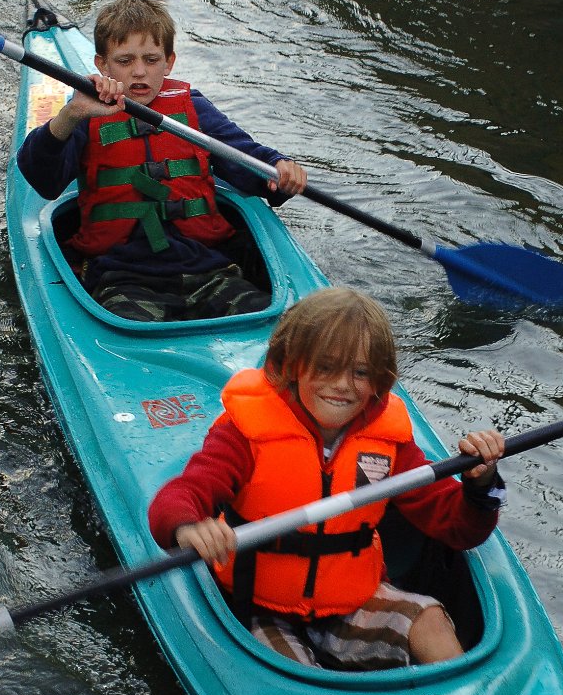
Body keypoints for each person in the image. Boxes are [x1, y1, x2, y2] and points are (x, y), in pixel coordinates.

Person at [148, 287, 506, 670]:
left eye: (361, 372)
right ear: (291, 366)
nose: (342, 385)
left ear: (379, 381)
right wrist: (188, 526)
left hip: (352, 601)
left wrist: (480, 485)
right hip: (261, 609)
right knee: (294, 673)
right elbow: (182, 494)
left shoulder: (390, 444)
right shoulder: (244, 436)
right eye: (325, 368)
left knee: (430, 620)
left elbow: (459, 529)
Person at [15, 0, 307, 321]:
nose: (139, 72)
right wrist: (71, 114)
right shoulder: (86, 111)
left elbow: (246, 159)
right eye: (125, 61)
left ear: (169, 62)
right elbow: (42, 178)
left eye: (151, 60)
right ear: (102, 65)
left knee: (275, 323)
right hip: (124, 277)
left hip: (208, 271)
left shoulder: (194, 108)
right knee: (127, 322)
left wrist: (279, 170)